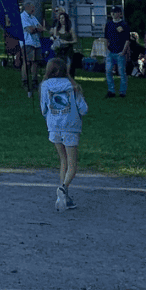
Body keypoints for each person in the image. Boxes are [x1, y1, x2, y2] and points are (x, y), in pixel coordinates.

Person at [40, 57, 88, 211]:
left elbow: (43, 109)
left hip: (54, 127)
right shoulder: (72, 86)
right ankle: (63, 188)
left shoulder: (45, 85)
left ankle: (63, 198)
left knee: (63, 161)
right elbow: (84, 109)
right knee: (72, 165)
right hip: (71, 127)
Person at [104, 5, 130, 98]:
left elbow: (127, 39)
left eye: (115, 12)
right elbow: (106, 38)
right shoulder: (108, 24)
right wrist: (106, 48)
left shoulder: (124, 25)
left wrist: (123, 51)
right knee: (108, 71)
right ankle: (111, 91)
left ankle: (122, 92)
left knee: (122, 72)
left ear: (119, 13)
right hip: (110, 51)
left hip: (120, 52)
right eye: (112, 12)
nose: (113, 14)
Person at [20, 0, 43, 93]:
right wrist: (36, 28)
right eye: (32, 7)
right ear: (27, 7)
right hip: (27, 42)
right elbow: (30, 30)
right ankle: (25, 81)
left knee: (35, 62)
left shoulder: (33, 17)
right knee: (27, 62)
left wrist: (35, 28)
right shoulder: (23, 17)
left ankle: (34, 81)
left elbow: (41, 28)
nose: (34, 9)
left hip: (36, 43)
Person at [49, 9, 77, 73]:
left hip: (68, 50)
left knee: (68, 65)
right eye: (60, 18)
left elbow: (75, 40)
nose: (61, 20)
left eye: (62, 18)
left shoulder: (70, 29)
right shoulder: (56, 29)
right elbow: (55, 39)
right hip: (59, 50)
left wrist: (68, 42)